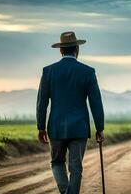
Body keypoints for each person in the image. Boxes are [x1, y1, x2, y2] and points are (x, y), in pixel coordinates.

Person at [36, 31, 105, 194]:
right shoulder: (88, 71)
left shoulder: (49, 71)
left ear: (61, 50)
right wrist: (100, 127)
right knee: (76, 168)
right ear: (77, 49)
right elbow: (96, 102)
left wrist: (41, 127)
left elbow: (42, 102)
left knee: (57, 162)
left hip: (56, 127)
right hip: (79, 128)